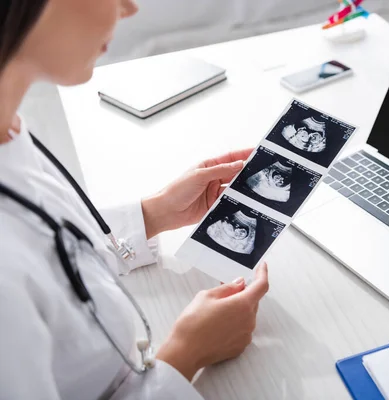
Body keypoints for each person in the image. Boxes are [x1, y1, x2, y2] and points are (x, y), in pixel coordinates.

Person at [0, 1, 269, 399]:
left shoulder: (10, 125)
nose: (129, 8)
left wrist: (151, 214)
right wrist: (186, 354)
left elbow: (49, 249)